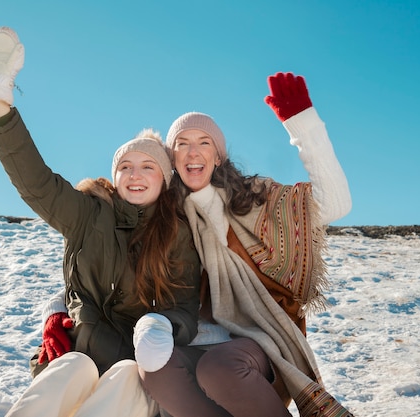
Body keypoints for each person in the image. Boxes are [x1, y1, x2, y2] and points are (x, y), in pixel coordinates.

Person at [0, 27, 201, 417]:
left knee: (128, 374)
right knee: (73, 366)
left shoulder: (176, 232)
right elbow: (37, 184)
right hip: (78, 351)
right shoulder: (87, 213)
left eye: (148, 166)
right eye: (126, 167)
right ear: (114, 178)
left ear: (164, 180)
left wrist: (163, 327)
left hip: (136, 367)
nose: (135, 174)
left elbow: (184, 304)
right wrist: (1, 111)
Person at [137, 73, 354, 417]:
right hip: (193, 338)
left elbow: (335, 204)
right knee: (154, 367)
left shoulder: (253, 197)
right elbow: (108, 249)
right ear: (173, 158)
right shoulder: (164, 214)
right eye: (182, 143)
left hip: (260, 341)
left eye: (204, 142)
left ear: (219, 156)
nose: (193, 152)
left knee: (219, 368)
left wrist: (304, 128)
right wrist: (60, 308)